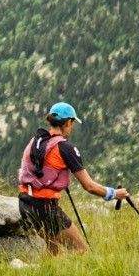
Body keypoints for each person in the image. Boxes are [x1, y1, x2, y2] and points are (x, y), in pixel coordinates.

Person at [17, 102, 129, 254]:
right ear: (68, 122)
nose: (72, 127)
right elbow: (89, 186)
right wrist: (115, 194)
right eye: (72, 123)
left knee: (53, 252)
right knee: (82, 252)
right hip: (45, 207)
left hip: (24, 203)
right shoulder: (65, 148)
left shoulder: (35, 142)